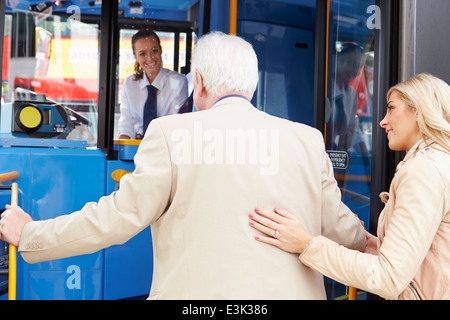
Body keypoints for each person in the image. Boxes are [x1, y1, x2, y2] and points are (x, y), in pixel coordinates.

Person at [0, 31, 365, 300]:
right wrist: (383, 246)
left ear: (199, 82)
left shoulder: (170, 135)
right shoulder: (307, 139)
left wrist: (31, 234)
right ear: (252, 85)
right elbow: (343, 230)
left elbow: (115, 220)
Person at [249, 73, 450, 300]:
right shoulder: (438, 164)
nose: (383, 121)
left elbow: (388, 278)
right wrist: (374, 245)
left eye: (391, 108)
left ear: (419, 112)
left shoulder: (423, 171)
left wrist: (306, 244)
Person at [118, 29, 188, 139]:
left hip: (166, 143)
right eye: (142, 54)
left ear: (161, 50)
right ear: (135, 57)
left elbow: (176, 123)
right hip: (136, 144)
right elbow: (126, 124)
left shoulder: (178, 82)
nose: (150, 58)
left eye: (154, 51)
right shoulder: (129, 84)